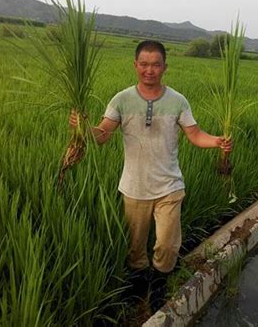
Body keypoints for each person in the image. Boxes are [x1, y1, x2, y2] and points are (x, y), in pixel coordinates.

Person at [69, 40, 232, 312]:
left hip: (169, 186)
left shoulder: (178, 100)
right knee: (135, 248)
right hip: (134, 187)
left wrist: (217, 141)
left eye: (156, 64)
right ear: (135, 65)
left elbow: (195, 134)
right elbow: (103, 135)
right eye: (144, 64)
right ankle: (139, 282)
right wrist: (83, 128)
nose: (149, 70)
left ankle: (158, 284)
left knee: (167, 244)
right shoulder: (121, 99)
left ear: (165, 67)